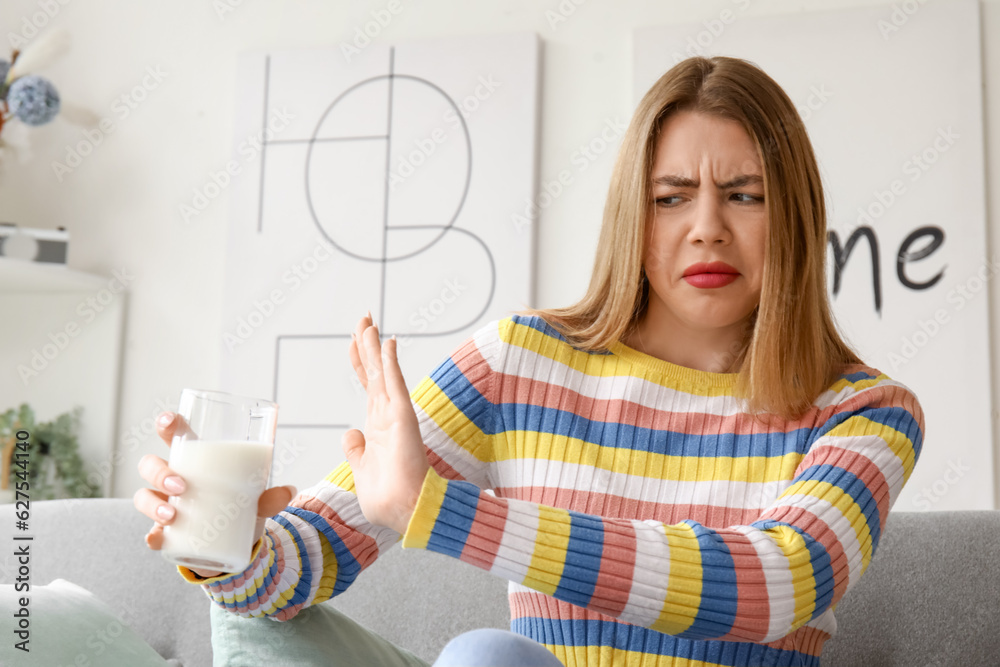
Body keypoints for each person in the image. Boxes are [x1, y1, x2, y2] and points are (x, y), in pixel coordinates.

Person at [134, 55, 924, 666]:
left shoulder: (867, 412)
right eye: (671, 196)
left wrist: (439, 511)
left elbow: (774, 585)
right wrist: (220, 537)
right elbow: (299, 563)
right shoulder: (518, 362)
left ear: (792, 215)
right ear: (632, 215)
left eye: (745, 194)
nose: (707, 227)